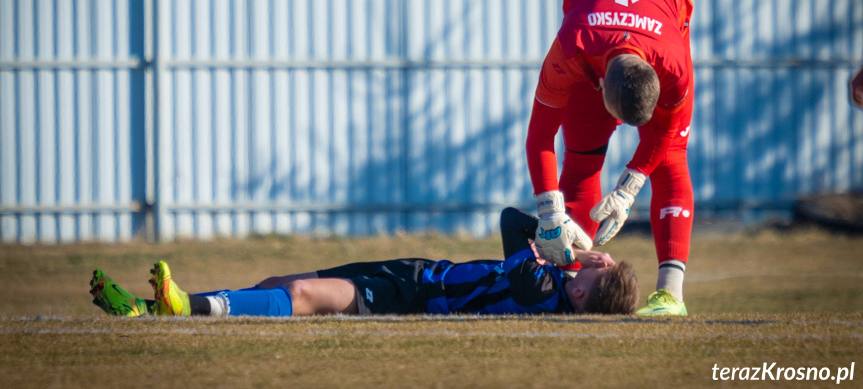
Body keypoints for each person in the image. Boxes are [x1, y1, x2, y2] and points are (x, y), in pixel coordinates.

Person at [89, 208, 639, 318]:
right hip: (414, 269)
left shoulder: (541, 290)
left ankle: (182, 307)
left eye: (602, 267)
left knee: (302, 297)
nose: (600, 258)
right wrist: (572, 250)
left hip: (412, 298)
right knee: (282, 284)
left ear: (584, 292)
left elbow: (511, 219)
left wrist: (568, 244)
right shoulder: (550, 286)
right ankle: (149, 308)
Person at [526, 0, 694, 316]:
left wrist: (629, 187)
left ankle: (670, 296)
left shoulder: (673, 67)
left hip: (665, 18)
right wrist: (549, 211)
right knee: (582, 157)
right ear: (599, 85)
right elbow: (540, 134)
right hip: (591, 28)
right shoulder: (570, 51)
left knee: (671, 157)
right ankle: (569, 283)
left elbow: (664, 132)